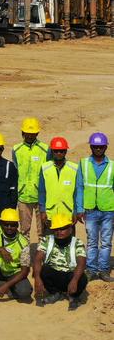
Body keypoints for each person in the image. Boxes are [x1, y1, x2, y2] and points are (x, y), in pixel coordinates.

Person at [76, 132, 113, 281]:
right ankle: (91, 270)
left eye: (101, 147)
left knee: (106, 242)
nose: (98, 149)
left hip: (108, 210)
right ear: (91, 147)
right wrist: (79, 208)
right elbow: (79, 187)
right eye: (95, 146)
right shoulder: (84, 163)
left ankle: (103, 270)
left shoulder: (112, 166)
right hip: (90, 210)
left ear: (105, 147)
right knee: (91, 241)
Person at [33, 214, 88, 310]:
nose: (59, 232)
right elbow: (37, 259)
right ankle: (55, 293)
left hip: (70, 276)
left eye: (62, 229)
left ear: (70, 229)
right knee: (44, 269)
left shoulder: (77, 243)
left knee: (82, 277)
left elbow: (82, 263)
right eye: (56, 229)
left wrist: (74, 280)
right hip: (55, 275)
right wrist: (37, 278)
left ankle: (74, 297)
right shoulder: (47, 240)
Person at [12, 117, 50, 237]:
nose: (29, 136)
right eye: (27, 133)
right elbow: (16, 171)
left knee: (42, 232)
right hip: (23, 196)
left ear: (37, 133)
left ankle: (42, 255)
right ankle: (25, 256)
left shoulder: (45, 149)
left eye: (32, 134)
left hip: (41, 197)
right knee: (24, 231)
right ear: (22, 132)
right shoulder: (16, 149)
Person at [38, 136, 79, 236]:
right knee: (49, 244)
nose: (59, 153)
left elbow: (77, 192)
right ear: (52, 151)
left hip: (68, 214)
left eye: (61, 151)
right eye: (56, 151)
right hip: (50, 214)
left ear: (65, 152)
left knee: (68, 245)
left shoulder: (74, 168)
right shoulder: (45, 168)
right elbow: (42, 191)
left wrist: (75, 211)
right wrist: (42, 211)